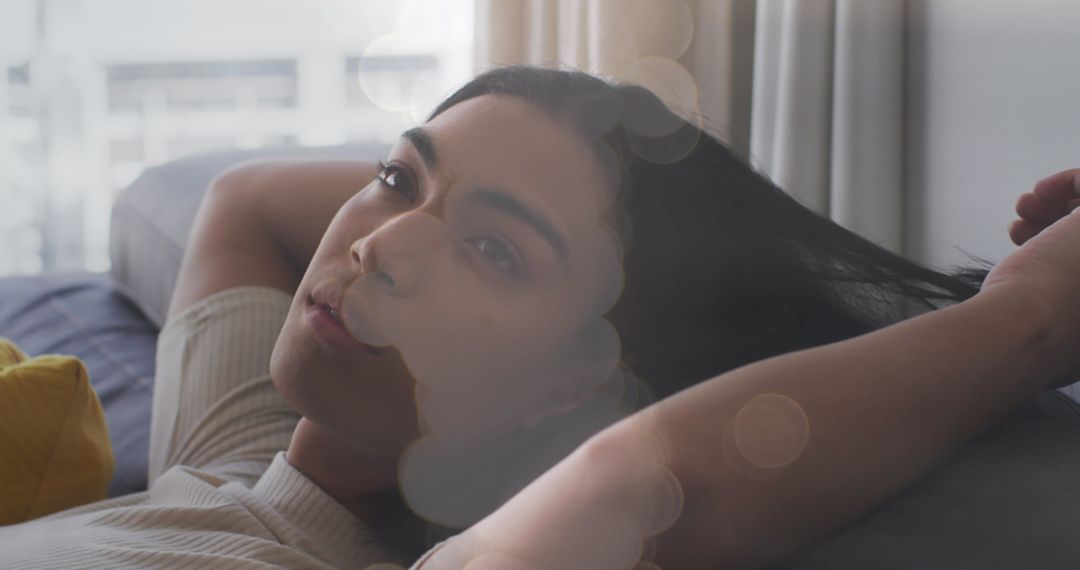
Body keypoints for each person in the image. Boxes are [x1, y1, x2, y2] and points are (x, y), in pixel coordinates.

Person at [0, 65, 1077, 569]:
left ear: (582, 382)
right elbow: (242, 201)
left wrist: (1028, 318)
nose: (378, 248)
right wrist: (486, 184)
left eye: (494, 252)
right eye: (393, 178)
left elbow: (650, 478)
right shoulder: (234, 449)